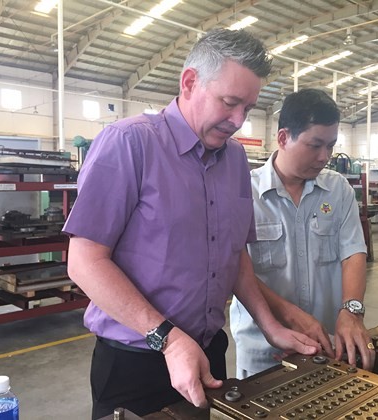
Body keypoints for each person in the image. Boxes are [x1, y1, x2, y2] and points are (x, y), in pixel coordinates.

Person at [63, 29, 321, 419]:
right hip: (134, 361)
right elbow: (84, 262)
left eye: (248, 109)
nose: (238, 121)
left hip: (206, 354)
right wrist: (167, 340)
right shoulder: (129, 143)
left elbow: (234, 255)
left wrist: (270, 325)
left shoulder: (234, 161)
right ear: (189, 82)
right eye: (229, 103)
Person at [230, 88, 375, 380]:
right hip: (264, 351)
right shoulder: (243, 192)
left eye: (331, 146)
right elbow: (233, 268)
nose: (324, 157)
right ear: (284, 138)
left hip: (327, 346)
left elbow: (353, 253)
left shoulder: (338, 190)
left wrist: (352, 310)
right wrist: (287, 315)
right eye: (315, 145)